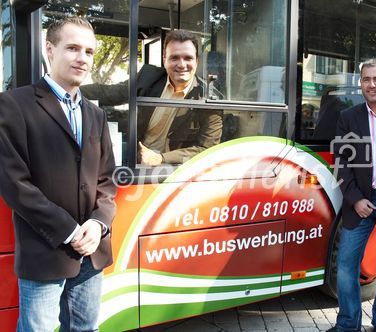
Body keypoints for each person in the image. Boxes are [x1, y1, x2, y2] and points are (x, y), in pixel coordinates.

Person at [0, 17, 116, 331]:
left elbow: (107, 180)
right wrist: (69, 230)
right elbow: (14, 184)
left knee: (85, 328)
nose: (83, 58)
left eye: (90, 51)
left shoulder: (96, 114)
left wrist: (98, 222)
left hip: (93, 251)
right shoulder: (13, 105)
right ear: (50, 50)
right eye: (73, 48)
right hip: (45, 250)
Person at [330, 59, 376, 332]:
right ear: (360, 83)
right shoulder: (348, 117)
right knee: (346, 268)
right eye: (365, 79)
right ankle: (348, 324)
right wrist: (355, 199)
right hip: (361, 199)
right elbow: (341, 163)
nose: (371, 84)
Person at [82, 29, 223, 166]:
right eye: (174, 58)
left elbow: (206, 150)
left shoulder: (209, 97)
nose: (181, 64)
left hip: (175, 171)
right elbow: (109, 93)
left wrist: (161, 158)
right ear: (164, 60)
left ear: (196, 61)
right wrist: (69, 90)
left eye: (188, 58)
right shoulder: (148, 77)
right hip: (135, 161)